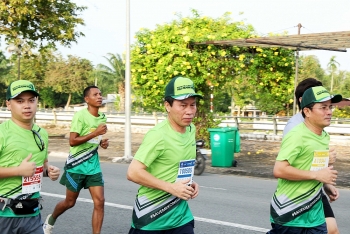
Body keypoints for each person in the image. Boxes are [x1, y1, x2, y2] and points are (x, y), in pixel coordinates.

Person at [127, 76, 201, 233]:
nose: (189, 111)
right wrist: (171, 188)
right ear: (168, 105)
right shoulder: (158, 135)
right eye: (183, 105)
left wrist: (189, 184)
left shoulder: (191, 129)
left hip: (180, 217)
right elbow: (133, 172)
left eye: (192, 105)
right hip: (151, 217)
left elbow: (176, 165)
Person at [267, 86, 342, 234]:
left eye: (330, 107)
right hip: (290, 213)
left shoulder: (324, 136)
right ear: (307, 111)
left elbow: (315, 167)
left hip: (314, 213)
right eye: (323, 107)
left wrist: (326, 184)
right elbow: (279, 169)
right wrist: (317, 176)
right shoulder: (297, 135)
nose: (329, 112)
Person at [43, 86, 109, 234]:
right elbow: (72, 141)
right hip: (77, 165)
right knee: (70, 202)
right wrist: (96, 134)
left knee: (100, 202)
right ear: (87, 99)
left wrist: (103, 143)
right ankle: (51, 219)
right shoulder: (80, 116)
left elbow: (97, 139)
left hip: (93, 166)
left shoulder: (103, 118)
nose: (99, 96)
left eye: (100, 94)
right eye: (95, 94)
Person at [0, 80, 60, 234]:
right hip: (3, 215)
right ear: (8, 104)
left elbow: (42, 166)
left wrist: (48, 171)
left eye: (31, 100)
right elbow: (24, 170)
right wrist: (18, 170)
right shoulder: (2, 133)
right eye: (20, 101)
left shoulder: (42, 133)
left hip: (32, 214)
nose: (27, 105)